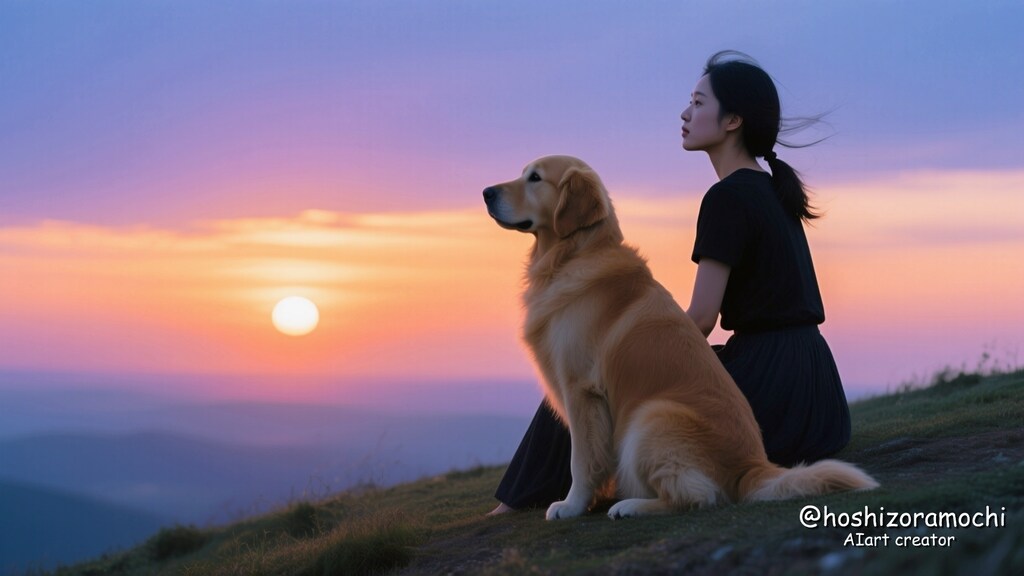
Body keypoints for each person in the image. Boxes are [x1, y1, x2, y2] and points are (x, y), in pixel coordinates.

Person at [488, 51, 851, 516]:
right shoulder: (771, 188)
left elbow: (699, 320)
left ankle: (516, 506)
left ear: (732, 120)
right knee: (598, 368)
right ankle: (563, 491)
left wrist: (624, 344)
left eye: (699, 103)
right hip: (819, 395)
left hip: (771, 387)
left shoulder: (726, 198)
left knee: (586, 372)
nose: (685, 113)